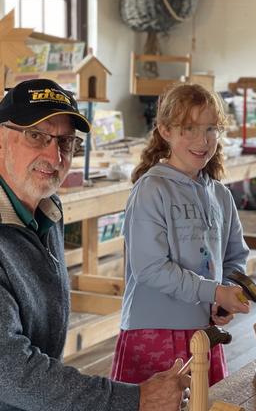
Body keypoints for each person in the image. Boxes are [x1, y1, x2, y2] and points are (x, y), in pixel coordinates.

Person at [0, 79, 189, 411]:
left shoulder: (47, 209)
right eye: (36, 136)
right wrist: (134, 399)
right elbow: (12, 372)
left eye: (66, 141)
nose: (54, 155)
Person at [111, 84, 250, 387]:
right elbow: (150, 268)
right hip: (152, 332)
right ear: (165, 130)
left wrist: (225, 295)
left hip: (203, 332)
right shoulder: (151, 189)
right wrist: (214, 291)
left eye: (211, 129)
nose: (203, 140)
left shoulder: (221, 195)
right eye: (189, 128)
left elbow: (235, 257)